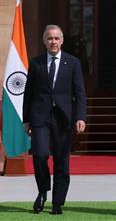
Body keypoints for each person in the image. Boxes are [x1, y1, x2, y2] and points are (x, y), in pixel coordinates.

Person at [23, 25, 87, 215]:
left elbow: (80, 93)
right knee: (40, 154)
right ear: (44, 41)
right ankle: (43, 191)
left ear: (62, 41)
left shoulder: (73, 62)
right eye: (50, 38)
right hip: (40, 117)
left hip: (63, 118)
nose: (53, 41)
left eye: (56, 38)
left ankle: (58, 202)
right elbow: (29, 93)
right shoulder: (36, 63)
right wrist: (26, 120)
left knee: (61, 160)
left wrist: (81, 117)